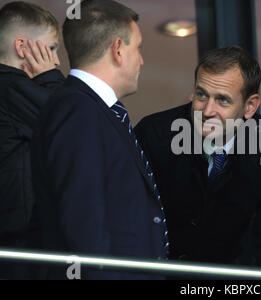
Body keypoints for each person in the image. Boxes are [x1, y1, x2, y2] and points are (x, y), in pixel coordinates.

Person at [31, 0, 167, 280]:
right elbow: (85, 225)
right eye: (138, 47)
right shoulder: (77, 111)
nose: (141, 60)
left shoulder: (88, 109)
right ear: (118, 49)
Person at [134, 46, 261, 273]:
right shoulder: (154, 135)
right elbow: (135, 224)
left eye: (223, 100)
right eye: (201, 95)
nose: (207, 110)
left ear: (250, 106)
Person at [0, 1, 64, 280]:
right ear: (22, 47)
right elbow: (75, 122)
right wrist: (51, 79)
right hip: (20, 246)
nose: (57, 60)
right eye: (51, 48)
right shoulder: (12, 88)